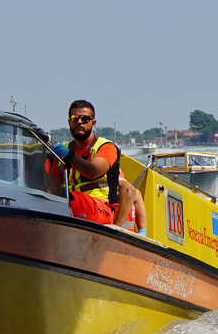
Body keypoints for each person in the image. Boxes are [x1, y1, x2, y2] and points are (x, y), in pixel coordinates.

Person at [46, 100, 147, 235]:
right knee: (54, 199)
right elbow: (51, 187)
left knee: (72, 200)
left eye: (85, 119)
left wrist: (69, 156)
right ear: (69, 122)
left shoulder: (105, 148)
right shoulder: (64, 150)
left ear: (93, 123)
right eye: (75, 118)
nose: (79, 122)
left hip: (103, 208)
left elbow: (93, 171)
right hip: (77, 205)